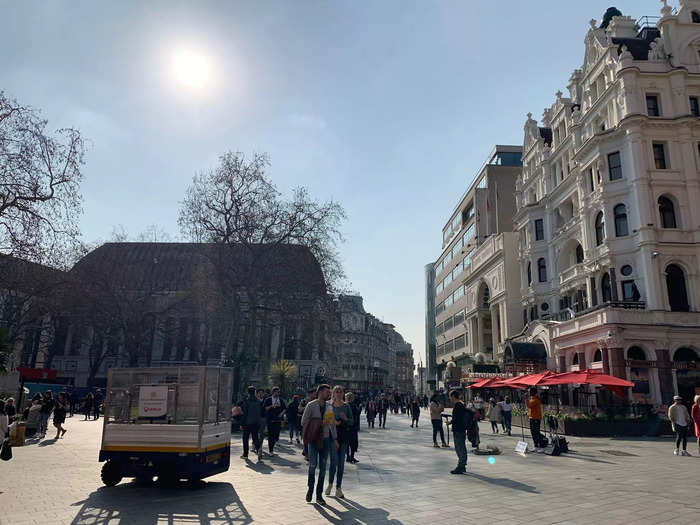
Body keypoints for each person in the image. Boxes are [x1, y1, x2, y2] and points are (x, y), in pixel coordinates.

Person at [301, 384, 337, 505]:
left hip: (326, 439)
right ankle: (310, 489)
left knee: (322, 468)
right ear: (320, 392)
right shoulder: (311, 405)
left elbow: (331, 424)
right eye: (327, 392)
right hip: (313, 439)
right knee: (312, 465)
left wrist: (335, 439)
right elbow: (303, 421)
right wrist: (318, 422)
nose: (329, 394)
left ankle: (319, 495)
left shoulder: (329, 406)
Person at [325, 385, 353, 499]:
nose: (338, 393)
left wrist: (345, 419)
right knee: (333, 462)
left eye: (340, 392)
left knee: (341, 464)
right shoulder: (329, 405)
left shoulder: (346, 406)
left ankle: (338, 488)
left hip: (343, 437)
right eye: (336, 391)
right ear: (333, 393)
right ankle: (330, 484)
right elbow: (326, 420)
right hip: (332, 437)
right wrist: (334, 423)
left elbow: (352, 421)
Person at [449, 389, 471, 474]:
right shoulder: (461, 404)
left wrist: (451, 422)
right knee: (461, 447)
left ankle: (461, 466)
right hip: (461, 429)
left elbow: (457, 418)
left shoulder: (458, 405)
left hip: (458, 429)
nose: (450, 399)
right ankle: (462, 465)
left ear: (453, 396)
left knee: (459, 448)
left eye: (450, 396)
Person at [240, 386, 264, 460]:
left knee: (245, 438)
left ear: (248, 392)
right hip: (256, 422)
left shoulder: (246, 400)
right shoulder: (258, 401)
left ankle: (245, 454)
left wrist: (242, 423)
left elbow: (245, 413)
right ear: (254, 392)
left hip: (247, 422)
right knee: (255, 437)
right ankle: (258, 449)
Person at [263, 386, 286, 456]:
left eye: (278, 392)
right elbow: (265, 408)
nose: (277, 393)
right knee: (271, 436)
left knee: (276, 435)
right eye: (276, 392)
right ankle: (271, 450)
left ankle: (274, 442)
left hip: (278, 420)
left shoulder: (281, 400)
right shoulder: (268, 399)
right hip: (270, 419)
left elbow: (285, 408)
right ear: (273, 392)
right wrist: (271, 406)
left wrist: (282, 413)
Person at [525, 388, 545, 452]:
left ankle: (541, 446)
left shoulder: (535, 399)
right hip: (532, 418)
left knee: (536, 432)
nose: (529, 393)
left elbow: (529, 405)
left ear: (533, 392)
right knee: (533, 433)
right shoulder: (532, 398)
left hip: (536, 418)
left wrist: (526, 399)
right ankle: (536, 446)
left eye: (530, 392)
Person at [300, 389, 316, 460]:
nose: (315, 395)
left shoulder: (317, 401)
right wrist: (307, 407)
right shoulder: (304, 401)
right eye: (314, 394)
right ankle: (307, 453)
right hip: (306, 422)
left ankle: (308, 451)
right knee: (306, 438)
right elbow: (299, 409)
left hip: (314, 423)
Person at [345, 392, 361, 464]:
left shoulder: (344, 405)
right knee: (353, 443)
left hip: (346, 427)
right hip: (353, 427)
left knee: (347, 443)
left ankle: (348, 456)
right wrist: (360, 407)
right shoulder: (353, 406)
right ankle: (351, 456)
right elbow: (357, 414)